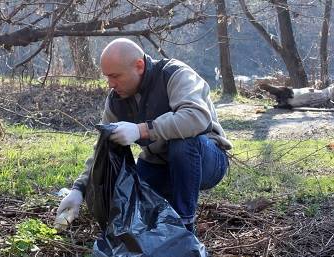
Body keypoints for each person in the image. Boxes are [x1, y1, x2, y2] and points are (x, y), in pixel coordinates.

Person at [56, 38, 232, 233]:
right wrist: (78, 189)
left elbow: (197, 118)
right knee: (133, 211)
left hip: (206, 161)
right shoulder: (116, 100)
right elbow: (102, 150)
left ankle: (184, 226)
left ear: (139, 66)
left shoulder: (175, 74)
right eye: (107, 77)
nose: (110, 84)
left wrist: (141, 130)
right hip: (158, 164)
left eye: (115, 76)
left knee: (183, 143)